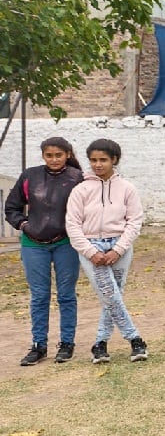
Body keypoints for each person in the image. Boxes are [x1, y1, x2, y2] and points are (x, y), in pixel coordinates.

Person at [65, 139, 147, 365]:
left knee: (113, 296)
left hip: (119, 247)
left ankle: (100, 344)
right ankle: (135, 338)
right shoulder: (80, 190)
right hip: (91, 248)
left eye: (103, 160)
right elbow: (72, 224)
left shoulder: (127, 188)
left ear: (114, 160)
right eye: (93, 160)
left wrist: (119, 249)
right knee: (110, 295)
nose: (98, 164)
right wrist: (90, 251)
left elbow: (134, 221)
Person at [7, 137, 84, 366]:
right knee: (39, 296)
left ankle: (67, 344)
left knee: (66, 295)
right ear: (43, 155)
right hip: (33, 244)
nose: (54, 160)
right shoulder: (29, 176)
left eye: (58, 155)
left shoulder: (77, 179)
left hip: (66, 244)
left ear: (68, 154)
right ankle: (39, 346)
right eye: (49, 155)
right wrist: (23, 225)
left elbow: (87, 210)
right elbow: (12, 207)